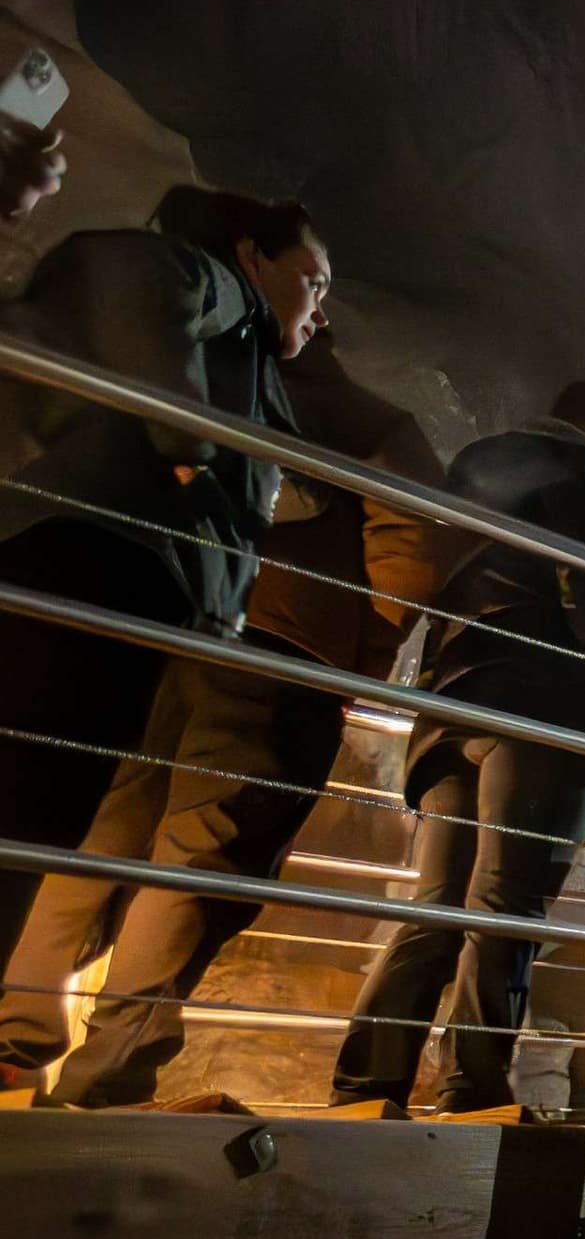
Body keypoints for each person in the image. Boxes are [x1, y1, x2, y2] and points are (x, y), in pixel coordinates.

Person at [0, 322, 443, 1103]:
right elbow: (412, 542)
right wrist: (365, 647)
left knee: (103, 832)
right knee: (208, 855)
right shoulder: (363, 416)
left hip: (165, 627)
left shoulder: (189, 373)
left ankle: (17, 1043)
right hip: (280, 648)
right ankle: (106, 1081)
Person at [0, 186, 326, 968]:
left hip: (107, 565)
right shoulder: (216, 285)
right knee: (29, 811)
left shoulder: (245, 351)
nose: (320, 310)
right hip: (95, 561)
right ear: (252, 255)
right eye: (313, 281)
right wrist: (186, 429)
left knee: (46, 815)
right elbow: (135, 271)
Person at [329, 376, 585, 1116]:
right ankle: (472, 1087)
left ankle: (366, 1082)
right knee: (507, 904)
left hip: (453, 705)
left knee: (440, 903)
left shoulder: (480, 464)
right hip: (548, 710)